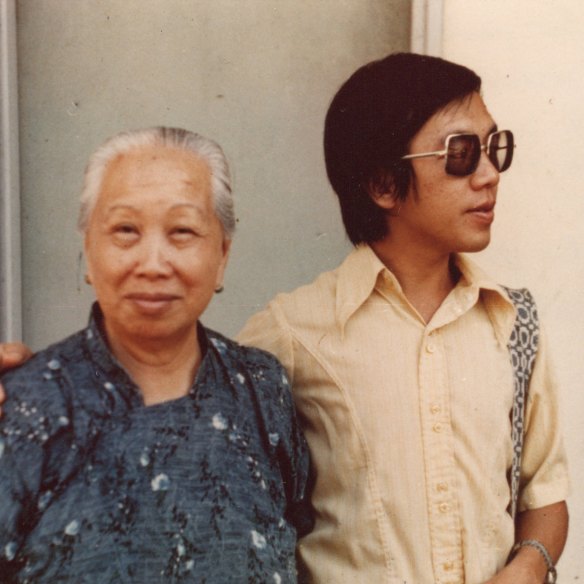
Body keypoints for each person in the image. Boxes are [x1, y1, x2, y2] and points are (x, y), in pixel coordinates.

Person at [0, 53, 570, 584]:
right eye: (461, 154)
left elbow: (543, 490)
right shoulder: (289, 339)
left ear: (221, 253)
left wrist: (529, 566)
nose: (490, 175)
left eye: (496, 149)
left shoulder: (510, 323)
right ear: (381, 184)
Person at [0, 127, 310, 582]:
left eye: (182, 231)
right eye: (125, 230)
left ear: (222, 254)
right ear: (88, 251)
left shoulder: (262, 389)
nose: (152, 263)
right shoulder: (28, 405)